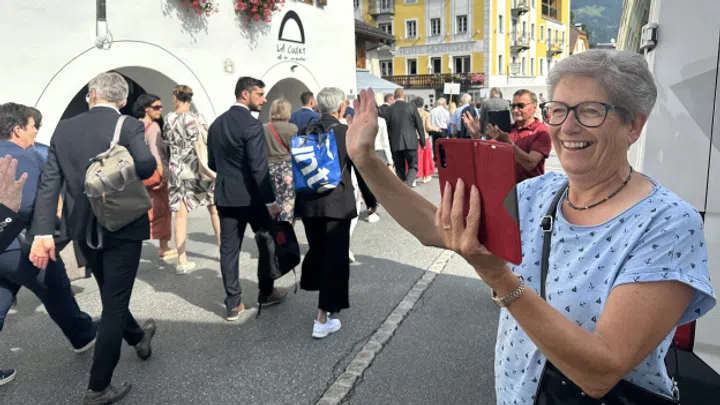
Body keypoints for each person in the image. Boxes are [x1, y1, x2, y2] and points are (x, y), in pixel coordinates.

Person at [345, 49, 716, 404]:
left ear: (633, 125)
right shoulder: (537, 193)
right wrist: (365, 159)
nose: (567, 126)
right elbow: (434, 228)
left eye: (590, 111)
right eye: (558, 110)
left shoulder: (667, 223)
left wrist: (500, 279)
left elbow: (600, 373)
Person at [29, 72, 158, 404]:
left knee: (110, 291)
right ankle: (98, 386)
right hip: (122, 223)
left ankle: (138, 336)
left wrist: (43, 232)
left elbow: (50, 183)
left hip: (82, 228)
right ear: (123, 100)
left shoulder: (64, 128)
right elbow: (146, 166)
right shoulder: (128, 125)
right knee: (114, 303)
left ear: (93, 94)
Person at [0, 104, 96, 387]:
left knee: (2, 294)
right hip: (17, 245)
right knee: (55, 286)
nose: (36, 133)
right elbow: (33, 207)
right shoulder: (22, 157)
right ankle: (83, 336)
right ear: (18, 129)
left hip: (4, 249)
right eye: (33, 127)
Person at [208, 76, 288, 321]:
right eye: (260, 94)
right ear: (245, 94)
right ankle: (266, 292)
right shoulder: (252, 125)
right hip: (252, 198)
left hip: (226, 196)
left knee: (229, 250)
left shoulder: (216, 124)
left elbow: (212, 163)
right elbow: (258, 168)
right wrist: (271, 202)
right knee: (266, 243)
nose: (264, 99)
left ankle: (233, 303)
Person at [295, 87, 357, 339]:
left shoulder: (304, 131)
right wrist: (373, 200)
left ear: (318, 107)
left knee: (320, 251)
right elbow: (359, 167)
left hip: (309, 202)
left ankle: (330, 302)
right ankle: (322, 317)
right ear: (341, 107)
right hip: (337, 203)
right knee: (335, 258)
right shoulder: (345, 132)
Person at [164, 85, 221, 274]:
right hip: (198, 168)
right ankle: (223, 250)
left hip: (177, 170)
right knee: (213, 208)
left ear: (175, 98)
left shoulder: (169, 118)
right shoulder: (197, 118)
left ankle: (182, 260)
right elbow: (208, 139)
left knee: (180, 215)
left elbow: (167, 141)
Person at [466, 89, 552, 184]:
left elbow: (530, 163)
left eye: (520, 106)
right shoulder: (508, 129)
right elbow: (486, 154)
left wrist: (508, 143)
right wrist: (475, 136)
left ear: (534, 107)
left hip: (530, 189)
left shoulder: (541, 131)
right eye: (513, 106)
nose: (515, 110)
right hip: (505, 187)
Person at [133, 94, 176, 260]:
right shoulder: (153, 127)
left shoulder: (135, 125)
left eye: (161, 107)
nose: (160, 110)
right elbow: (156, 153)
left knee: (146, 209)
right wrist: (163, 175)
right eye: (156, 107)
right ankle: (164, 248)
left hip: (140, 175)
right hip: (155, 173)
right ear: (146, 109)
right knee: (163, 210)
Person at [263, 99, 297, 223]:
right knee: (287, 204)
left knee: (271, 202)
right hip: (287, 168)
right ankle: (286, 229)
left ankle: (274, 229)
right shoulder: (292, 128)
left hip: (268, 169)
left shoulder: (263, 128)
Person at [385, 88, 425, 187]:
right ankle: (406, 184)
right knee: (413, 166)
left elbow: (387, 129)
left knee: (399, 168)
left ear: (394, 97)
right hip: (411, 142)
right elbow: (419, 125)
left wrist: (389, 144)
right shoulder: (411, 107)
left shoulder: (389, 109)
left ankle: (403, 186)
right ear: (404, 96)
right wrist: (423, 142)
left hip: (396, 143)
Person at [414, 97, 438, 184]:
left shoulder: (411, 113)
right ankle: (426, 176)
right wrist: (436, 129)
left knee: (416, 158)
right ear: (422, 104)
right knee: (426, 158)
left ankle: (415, 175)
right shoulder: (426, 113)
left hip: (414, 138)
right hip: (424, 137)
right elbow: (428, 127)